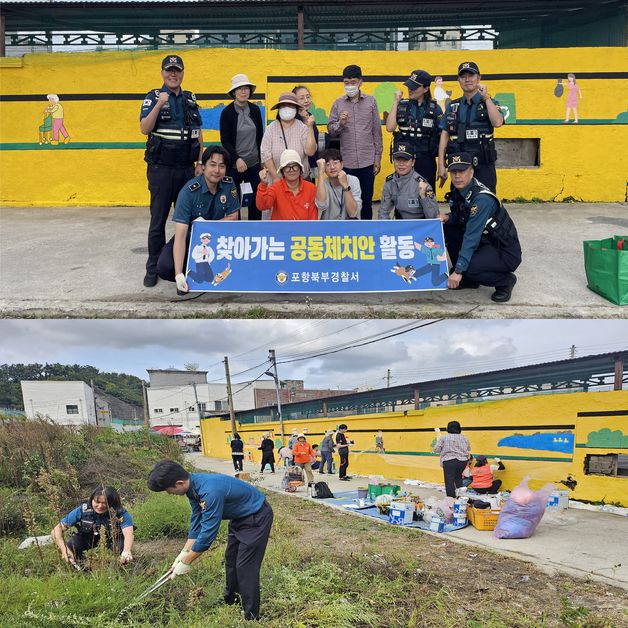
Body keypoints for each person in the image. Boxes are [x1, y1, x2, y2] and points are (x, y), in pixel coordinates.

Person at [148, 460, 273, 621]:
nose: (169, 493)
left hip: (256, 516)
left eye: (168, 490)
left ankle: (251, 617)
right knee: (231, 560)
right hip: (239, 518)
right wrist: (184, 552)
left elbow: (208, 532)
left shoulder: (209, 491)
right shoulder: (192, 487)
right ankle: (231, 601)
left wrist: (187, 561)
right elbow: (197, 519)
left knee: (245, 567)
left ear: (179, 483)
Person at [140, 55, 203, 288]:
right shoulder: (153, 97)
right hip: (161, 170)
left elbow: (198, 134)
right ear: (162, 73)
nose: (173, 74)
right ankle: (153, 267)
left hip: (186, 170)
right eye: (169, 70)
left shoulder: (190, 99)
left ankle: (185, 265)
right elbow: (144, 128)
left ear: (183, 73)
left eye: (177, 70)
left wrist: (199, 163)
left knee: (188, 219)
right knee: (158, 220)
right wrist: (159, 104)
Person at [156, 145, 239, 294]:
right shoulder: (189, 192)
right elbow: (180, 236)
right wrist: (178, 274)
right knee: (165, 266)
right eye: (212, 165)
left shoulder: (228, 184)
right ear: (204, 166)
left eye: (221, 166)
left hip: (221, 239)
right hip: (191, 239)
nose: (217, 170)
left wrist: (207, 227)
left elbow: (234, 217)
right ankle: (187, 278)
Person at [442, 152, 521, 303]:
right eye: (454, 172)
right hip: (485, 242)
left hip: (503, 249)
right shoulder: (460, 191)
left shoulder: (482, 200)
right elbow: (461, 216)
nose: (457, 176)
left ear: (471, 172)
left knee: (469, 268)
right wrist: (448, 217)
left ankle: (504, 281)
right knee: (447, 227)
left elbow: (472, 236)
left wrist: (459, 270)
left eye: (462, 171)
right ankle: (469, 280)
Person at [438, 61, 504, 193]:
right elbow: (444, 135)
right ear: (459, 80)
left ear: (479, 78)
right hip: (459, 166)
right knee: (459, 205)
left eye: (471, 75)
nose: (467, 79)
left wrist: (486, 97)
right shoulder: (453, 106)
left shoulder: (489, 102)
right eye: (463, 76)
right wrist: (440, 165)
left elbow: (497, 122)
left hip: (483, 165)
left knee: (486, 203)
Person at [328, 65, 383, 221]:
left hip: (367, 160)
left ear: (361, 82)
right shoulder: (338, 103)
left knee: (366, 200)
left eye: (353, 82)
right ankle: (349, 233)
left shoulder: (371, 101)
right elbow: (331, 130)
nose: (349, 85)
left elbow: (376, 131)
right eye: (346, 82)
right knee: (347, 199)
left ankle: (366, 232)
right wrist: (341, 123)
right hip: (347, 162)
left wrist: (377, 158)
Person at [385, 70, 442, 190]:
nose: (410, 90)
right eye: (409, 86)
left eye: (415, 87)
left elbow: (442, 138)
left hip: (426, 160)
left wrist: (442, 164)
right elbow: (390, 127)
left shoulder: (435, 109)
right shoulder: (402, 105)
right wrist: (396, 102)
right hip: (405, 160)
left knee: (426, 196)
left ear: (426, 89)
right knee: (403, 198)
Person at [220, 73, 264, 220]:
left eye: (246, 88)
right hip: (234, 164)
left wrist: (262, 159)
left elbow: (260, 136)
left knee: (256, 200)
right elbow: (225, 141)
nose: (244, 91)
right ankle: (237, 231)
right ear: (233, 92)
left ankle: (254, 229)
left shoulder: (256, 110)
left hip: (254, 163)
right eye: (240, 89)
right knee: (234, 201)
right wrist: (237, 159)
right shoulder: (227, 113)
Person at [51, 486, 134, 565]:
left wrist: (126, 551)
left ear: (112, 503)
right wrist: (64, 550)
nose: (100, 506)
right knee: (71, 545)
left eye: (105, 503)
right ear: (92, 500)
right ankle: (84, 567)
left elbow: (128, 534)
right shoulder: (82, 510)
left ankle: (121, 568)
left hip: (112, 538)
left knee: (121, 548)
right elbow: (56, 530)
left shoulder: (120, 513)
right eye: (97, 502)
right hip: (88, 537)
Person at [260, 92, 316, 182]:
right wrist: (275, 177)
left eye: (290, 105)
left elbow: (310, 152)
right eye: (283, 106)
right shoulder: (271, 128)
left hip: (301, 181)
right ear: (279, 109)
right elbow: (265, 154)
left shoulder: (303, 128)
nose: (287, 108)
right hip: (277, 181)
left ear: (296, 109)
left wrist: (310, 127)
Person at [379, 141, 439, 220]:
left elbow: (433, 217)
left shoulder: (422, 184)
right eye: (398, 159)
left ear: (413, 162)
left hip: (421, 224)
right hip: (401, 223)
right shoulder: (389, 182)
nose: (401, 164)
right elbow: (383, 212)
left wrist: (423, 197)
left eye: (405, 160)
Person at [256, 150, 317, 220]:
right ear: (282, 172)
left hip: (305, 230)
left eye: (295, 166)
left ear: (300, 169)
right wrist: (263, 185)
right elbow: (262, 206)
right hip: (280, 230)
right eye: (287, 167)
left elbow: (313, 218)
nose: (291, 170)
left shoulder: (311, 188)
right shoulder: (275, 188)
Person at [315, 149, 362, 220]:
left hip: (350, 227)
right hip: (329, 227)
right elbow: (321, 206)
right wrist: (320, 173)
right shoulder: (322, 183)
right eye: (327, 165)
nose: (332, 167)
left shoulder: (353, 180)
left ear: (342, 164)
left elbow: (353, 213)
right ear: (324, 168)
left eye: (335, 163)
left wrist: (345, 186)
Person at [432, 420, 471, 498]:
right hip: (462, 461)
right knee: (458, 478)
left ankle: (451, 500)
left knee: (449, 481)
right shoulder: (464, 438)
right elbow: (468, 449)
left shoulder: (443, 437)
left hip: (449, 461)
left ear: (448, 428)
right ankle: (460, 498)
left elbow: (436, 450)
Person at [293, 85, 321, 176]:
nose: (306, 100)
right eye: (301, 98)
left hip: (310, 164)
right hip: (296, 165)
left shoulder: (309, 115)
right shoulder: (292, 118)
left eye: (308, 97)